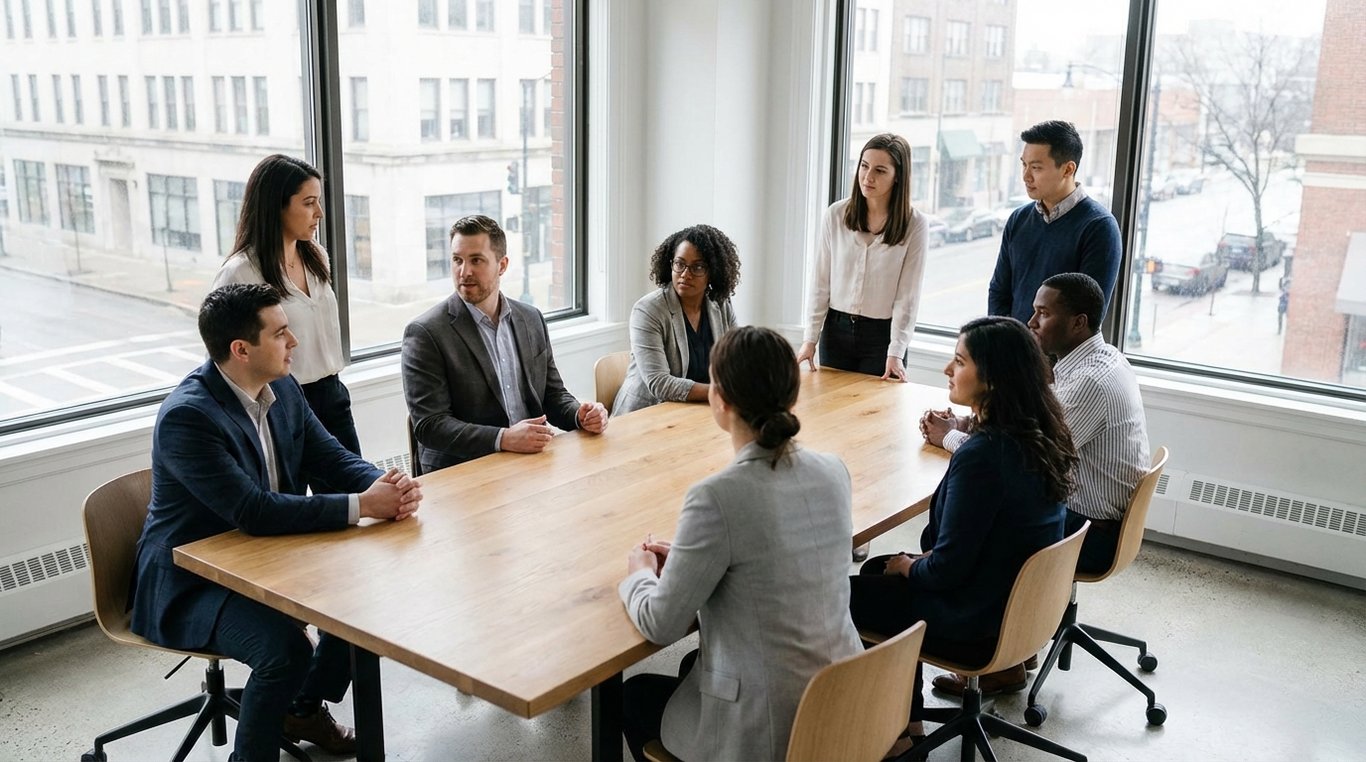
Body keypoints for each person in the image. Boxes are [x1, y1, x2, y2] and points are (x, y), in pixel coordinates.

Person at [130, 284, 423, 762]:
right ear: (241, 350)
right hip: (194, 580)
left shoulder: (283, 388)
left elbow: (330, 457)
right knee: (285, 650)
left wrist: (387, 486)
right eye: (282, 333)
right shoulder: (188, 417)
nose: (295, 343)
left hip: (266, 557)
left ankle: (303, 707)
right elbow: (255, 511)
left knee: (360, 603)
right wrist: (365, 505)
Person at [618, 326, 863, 762]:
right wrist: (695, 559)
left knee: (634, 694)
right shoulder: (833, 469)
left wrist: (639, 573)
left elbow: (660, 623)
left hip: (771, 725)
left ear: (720, 400)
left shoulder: (715, 496)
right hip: (841, 699)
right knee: (691, 668)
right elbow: (775, 556)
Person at [850, 316, 1074, 755]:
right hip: (1019, 609)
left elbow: (946, 569)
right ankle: (908, 725)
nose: (948, 371)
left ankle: (892, 738)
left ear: (992, 378)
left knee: (849, 595)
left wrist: (912, 566)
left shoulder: (984, 456)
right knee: (881, 569)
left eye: (959, 361)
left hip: (977, 618)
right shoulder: (1040, 436)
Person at [921, 274, 1149, 697]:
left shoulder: (1088, 382)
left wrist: (950, 436)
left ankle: (999, 650)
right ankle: (1013, 654)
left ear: (1079, 322)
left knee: (974, 534)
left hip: (1091, 530)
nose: (1032, 321)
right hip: (1089, 515)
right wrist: (973, 420)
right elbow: (1029, 423)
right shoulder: (1097, 359)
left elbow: (1031, 448)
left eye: (1044, 313)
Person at [402, 214, 607, 473]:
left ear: (502, 265)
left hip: (531, 463)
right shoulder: (425, 333)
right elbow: (430, 426)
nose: (464, 272)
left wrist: (580, 415)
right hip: (464, 471)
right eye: (457, 260)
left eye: (476, 260)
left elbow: (552, 396)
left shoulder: (530, 319)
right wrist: (504, 438)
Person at [212, 154, 362, 461]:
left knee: (357, 495)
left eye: (318, 201)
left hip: (331, 396)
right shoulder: (240, 273)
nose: (319, 212)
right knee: (287, 500)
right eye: (308, 203)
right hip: (279, 404)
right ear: (276, 206)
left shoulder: (315, 255)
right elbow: (222, 356)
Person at [797, 132, 928, 382]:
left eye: (880, 170)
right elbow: (820, 283)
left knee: (878, 414)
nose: (868, 177)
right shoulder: (835, 215)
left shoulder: (915, 225)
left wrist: (896, 352)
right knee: (831, 411)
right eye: (864, 166)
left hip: (882, 338)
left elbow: (907, 296)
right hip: (836, 333)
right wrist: (810, 339)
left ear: (898, 176)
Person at [988, 120, 1122, 324]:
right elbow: (999, 291)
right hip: (1013, 349)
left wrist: (1034, 350)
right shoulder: (1018, 219)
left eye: (1036, 168)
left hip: (1061, 356)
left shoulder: (1099, 227)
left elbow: (1087, 317)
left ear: (1068, 170)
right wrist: (1005, 343)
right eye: (1024, 165)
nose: (1025, 176)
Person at [612, 224, 741, 416]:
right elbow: (660, 383)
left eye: (697, 267)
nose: (685, 274)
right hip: (646, 415)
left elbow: (736, 360)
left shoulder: (720, 304)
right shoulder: (648, 310)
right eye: (679, 264)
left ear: (713, 271)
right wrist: (720, 393)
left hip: (697, 412)